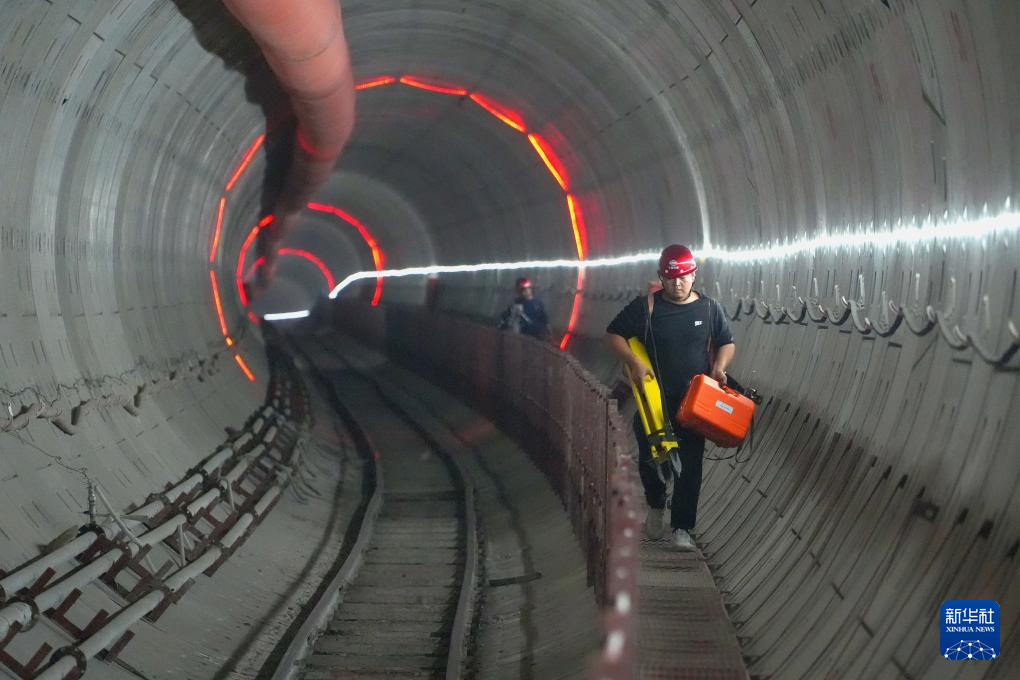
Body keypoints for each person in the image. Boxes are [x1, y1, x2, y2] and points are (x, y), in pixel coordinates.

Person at [605, 244, 735, 550]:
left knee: (690, 467)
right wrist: (634, 362)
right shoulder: (646, 308)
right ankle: (655, 502)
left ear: (694, 275)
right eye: (671, 278)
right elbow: (613, 333)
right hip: (653, 404)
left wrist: (719, 367)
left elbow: (726, 341)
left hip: (693, 404)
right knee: (650, 460)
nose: (678, 283)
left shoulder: (708, 309)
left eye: (684, 277)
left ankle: (682, 528)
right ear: (661, 277)